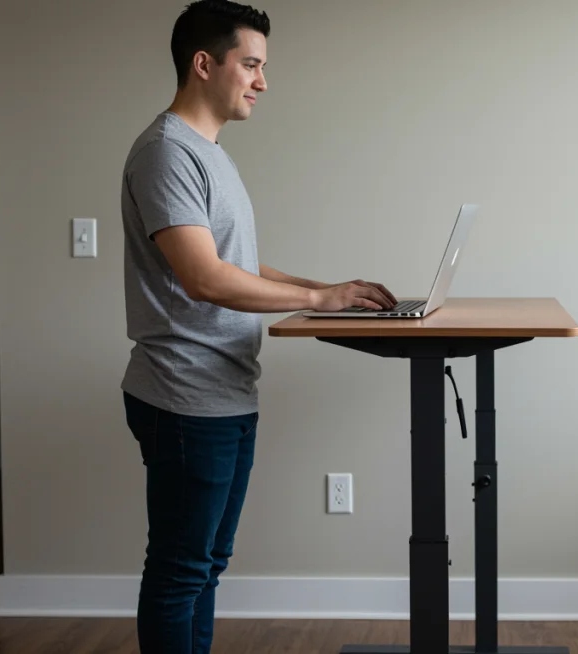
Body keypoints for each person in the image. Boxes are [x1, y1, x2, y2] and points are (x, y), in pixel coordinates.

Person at [118, 1, 396, 651]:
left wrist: (324, 289)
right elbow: (203, 278)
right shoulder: (165, 153)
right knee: (183, 570)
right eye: (251, 64)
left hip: (226, 388)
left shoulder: (209, 155)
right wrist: (321, 301)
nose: (262, 82)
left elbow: (230, 261)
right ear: (204, 63)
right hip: (184, 394)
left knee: (207, 566)